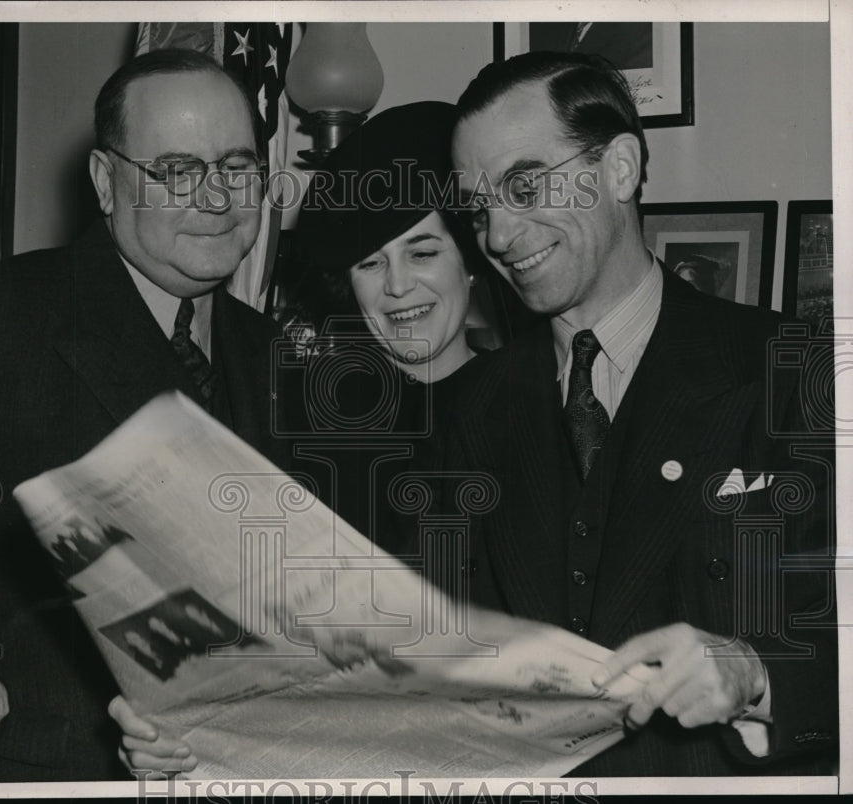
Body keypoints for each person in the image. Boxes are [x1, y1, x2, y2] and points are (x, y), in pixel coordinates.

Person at [0, 48, 289, 782]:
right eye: (178, 171)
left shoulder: (269, 353)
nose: (219, 200)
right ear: (106, 181)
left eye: (238, 165)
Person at [444, 50, 836, 775]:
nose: (498, 237)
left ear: (619, 168)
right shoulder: (472, 407)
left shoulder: (797, 370)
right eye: (480, 209)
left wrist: (757, 672)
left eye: (524, 185)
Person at [288, 101, 493, 552]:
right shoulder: (317, 426)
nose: (397, 286)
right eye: (371, 263)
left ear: (470, 263)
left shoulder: (534, 401)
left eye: (422, 254)